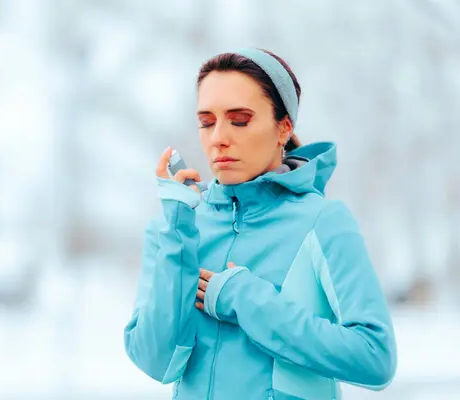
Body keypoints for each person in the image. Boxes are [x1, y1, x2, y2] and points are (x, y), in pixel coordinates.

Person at [124, 48, 397, 400]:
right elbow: (156, 362)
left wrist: (249, 300)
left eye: (239, 119)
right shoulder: (176, 226)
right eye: (207, 122)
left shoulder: (324, 221)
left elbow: (375, 359)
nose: (218, 137)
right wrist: (178, 233)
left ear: (284, 127)